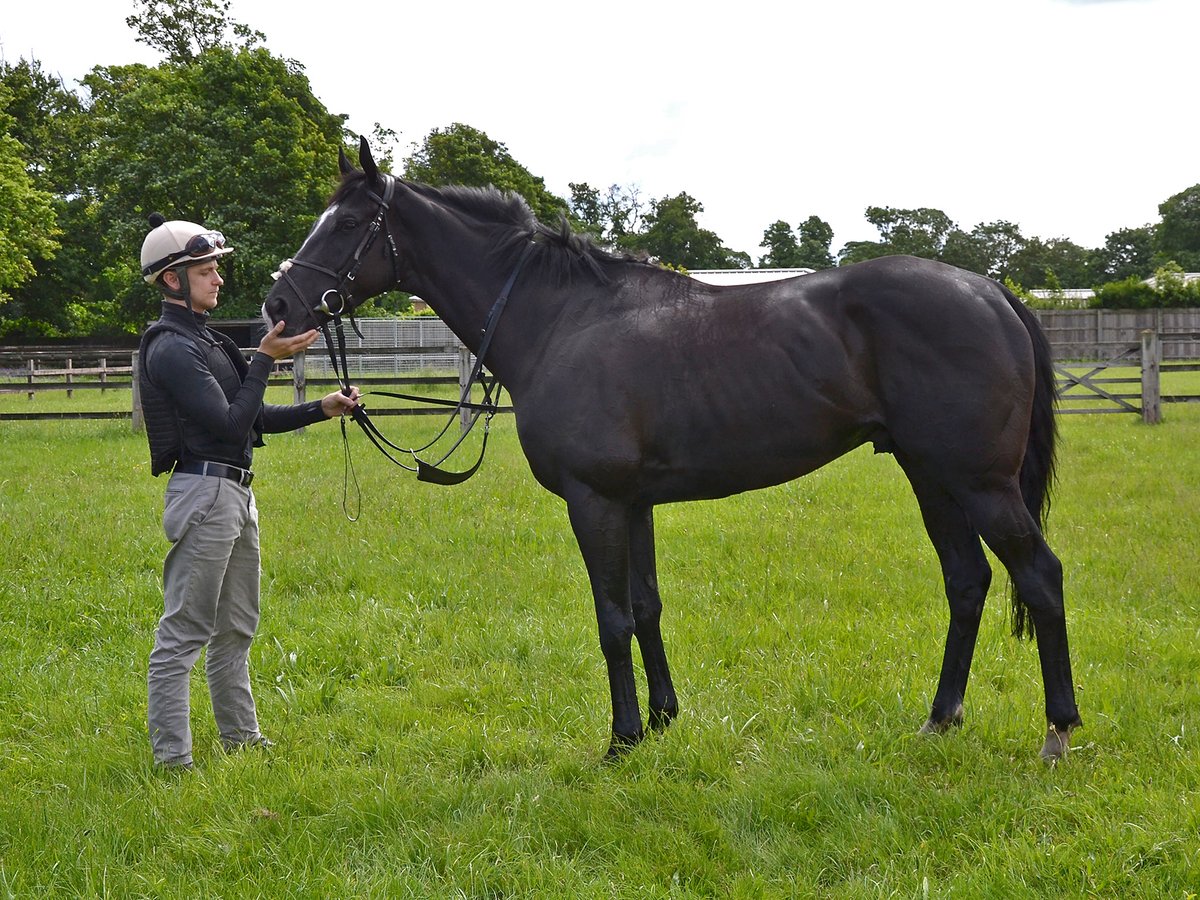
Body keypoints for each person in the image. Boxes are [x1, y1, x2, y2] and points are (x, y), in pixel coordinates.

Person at [136, 213, 359, 770]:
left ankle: (241, 738)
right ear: (172, 280)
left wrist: (321, 408)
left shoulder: (206, 341)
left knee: (236, 627)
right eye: (205, 271)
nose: (218, 278)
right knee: (184, 632)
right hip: (204, 493)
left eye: (215, 268)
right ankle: (173, 761)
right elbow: (229, 425)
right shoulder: (171, 348)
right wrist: (263, 359)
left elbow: (251, 417)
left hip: (234, 494)